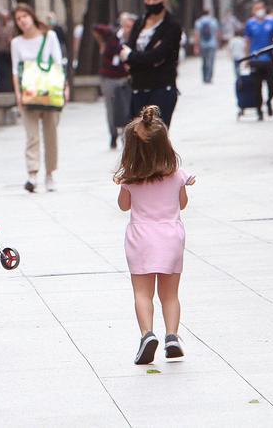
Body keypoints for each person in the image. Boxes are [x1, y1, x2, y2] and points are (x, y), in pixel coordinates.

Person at [115, 105, 195, 365]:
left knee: (142, 293)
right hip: (171, 236)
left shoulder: (131, 179)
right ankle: (172, 335)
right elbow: (182, 204)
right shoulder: (177, 176)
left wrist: (126, 185)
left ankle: (147, 334)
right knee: (170, 295)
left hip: (141, 238)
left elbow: (124, 206)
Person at [11, 3, 65, 193]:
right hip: (29, 94)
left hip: (49, 93)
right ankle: (32, 174)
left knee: (51, 134)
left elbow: (58, 63)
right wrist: (18, 94)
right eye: (18, 19)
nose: (22, 21)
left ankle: (50, 174)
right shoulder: (16, 43)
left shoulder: (49, 36)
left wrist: (64, 87)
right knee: (31, 135)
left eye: (24, 16)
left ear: (32, 16)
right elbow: (15, 71)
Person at [121, 0, 183, 126]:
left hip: (161, 89)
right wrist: (137, 58)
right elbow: (127, 53)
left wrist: (134, 57)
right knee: (136, 139)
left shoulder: (172, 26)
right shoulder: (139, 22)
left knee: (154, 138)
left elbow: (158, 56)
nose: (151, 2)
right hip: (138, 88)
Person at [94, 23, 131, 149]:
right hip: (109, 78)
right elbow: (96, 28)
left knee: (126, 108)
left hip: (124, 78)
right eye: (126, 26)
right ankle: (113, 134)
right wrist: (101, 42)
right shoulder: (112, 37)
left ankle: (125, 135)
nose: (127, 29)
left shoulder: (133, 39)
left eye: (130, 26)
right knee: (110, 108)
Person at [244, 1, 273, 117]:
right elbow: (247, 42)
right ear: (253, 11)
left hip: (269, 60)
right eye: (257, 9)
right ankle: (259, 109)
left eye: (261, 8)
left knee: (271, 85)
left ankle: (269, 102)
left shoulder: (272, 22)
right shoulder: (250, 24)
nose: (260, 11)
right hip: (255, 60)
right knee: (256, 86)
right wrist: (246, 58)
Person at [192, 9, 220, 84]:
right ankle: (209, 77)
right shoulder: (213, 21)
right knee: (211, 61)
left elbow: (196, 34)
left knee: (204, 61)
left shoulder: (198, 22)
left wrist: (196, 46)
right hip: (212, 44)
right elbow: (217, 33)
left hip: (202, 45)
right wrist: (218, 43)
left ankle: (204, 78)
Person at [0, 10, 15, 93]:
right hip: (1, 52)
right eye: (2, 18)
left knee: (9, 71)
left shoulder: (11, 28)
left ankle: (9, 87)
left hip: (9, 52)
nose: (4, 20)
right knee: (1, 71)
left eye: (5, 18)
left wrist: (11, 41)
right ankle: (1, 88)